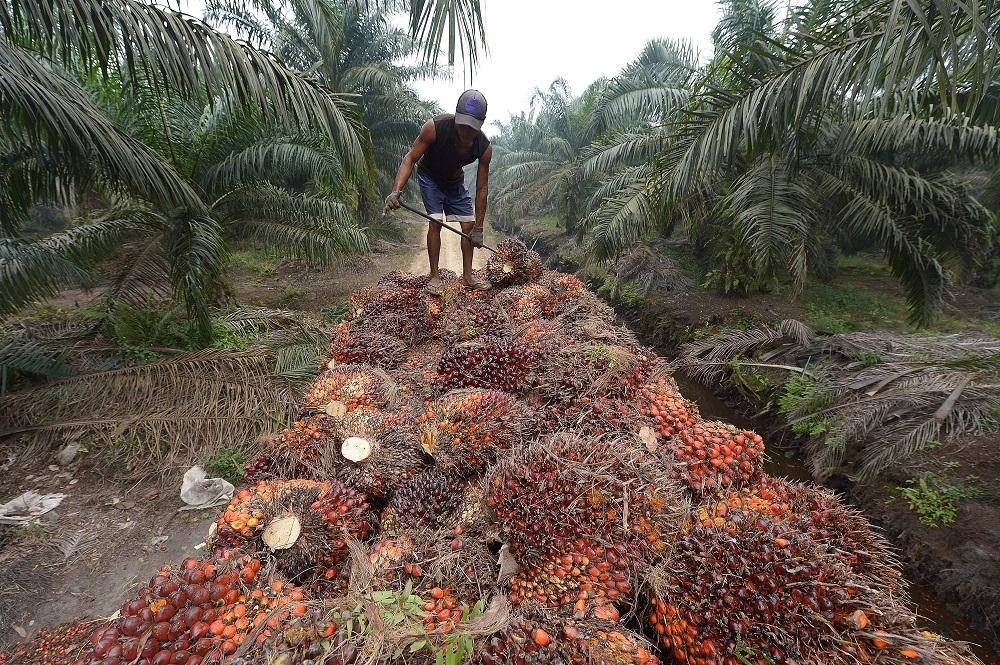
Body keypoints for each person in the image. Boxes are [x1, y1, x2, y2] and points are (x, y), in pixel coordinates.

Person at [384, 89, 492, 295]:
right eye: (462, 124)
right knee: (435, 221)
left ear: (480, 124)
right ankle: (434, 275)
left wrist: (479, 228)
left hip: (454, 181)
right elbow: (410, 159)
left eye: (471, 127)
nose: (465, 130)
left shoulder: (484, 147)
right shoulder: (435, 127)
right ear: (456, 115)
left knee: (468, 225)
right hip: (430, 177)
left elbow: (482, 188)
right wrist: (396, 191)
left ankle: (468, 276)